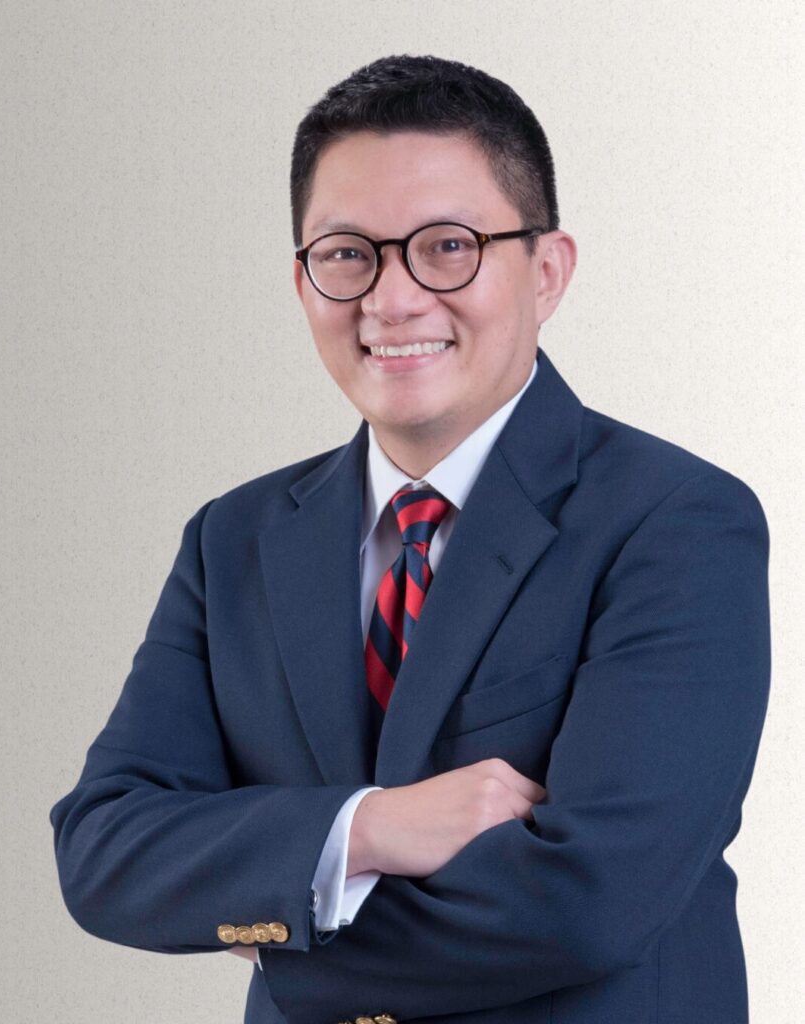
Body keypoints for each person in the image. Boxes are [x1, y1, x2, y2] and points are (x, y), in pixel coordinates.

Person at [50, 55, 771, 1024]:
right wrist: (368, 827)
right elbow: (104, 851)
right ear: (302, 280)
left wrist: (283, 930)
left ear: (547, 270)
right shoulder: (235, 538)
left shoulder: (675, 520)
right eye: (347, 253)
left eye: (447, 246)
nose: (391, 299)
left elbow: (591, 900)